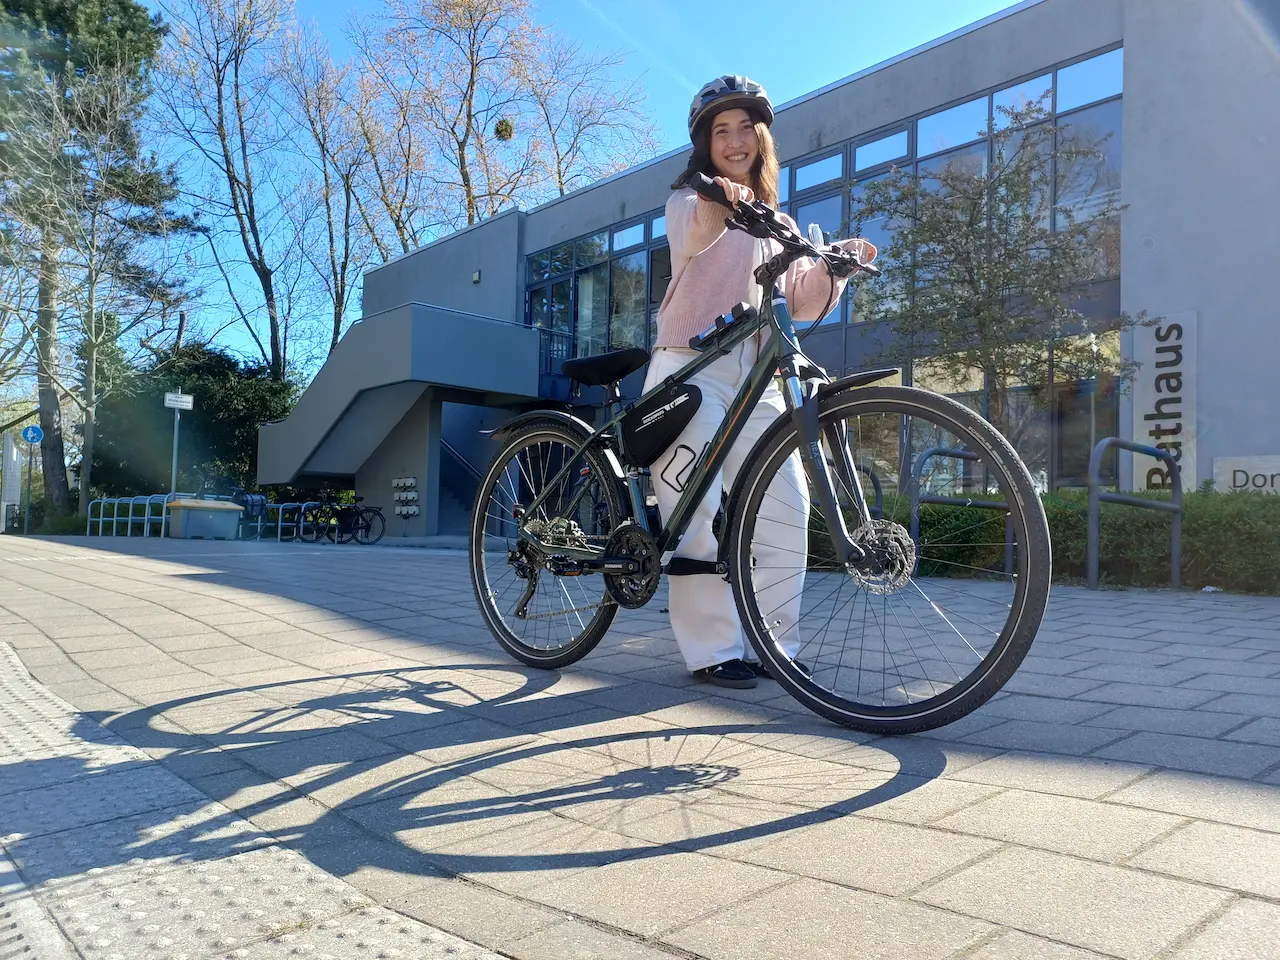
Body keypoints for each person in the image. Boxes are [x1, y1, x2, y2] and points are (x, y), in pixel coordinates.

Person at [645, 75, 876, 689]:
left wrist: (836, 264)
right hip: (689, 369)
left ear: (762, 138)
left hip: (758, 378)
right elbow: (695, 233)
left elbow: (800, 301)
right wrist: (720, 203)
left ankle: (775, 645)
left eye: (746, 127)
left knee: (785, 509)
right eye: (722, 131)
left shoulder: (779, 220)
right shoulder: (687, 200)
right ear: (706, 144)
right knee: (693, 511)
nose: (737, 139)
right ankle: (713, 649)